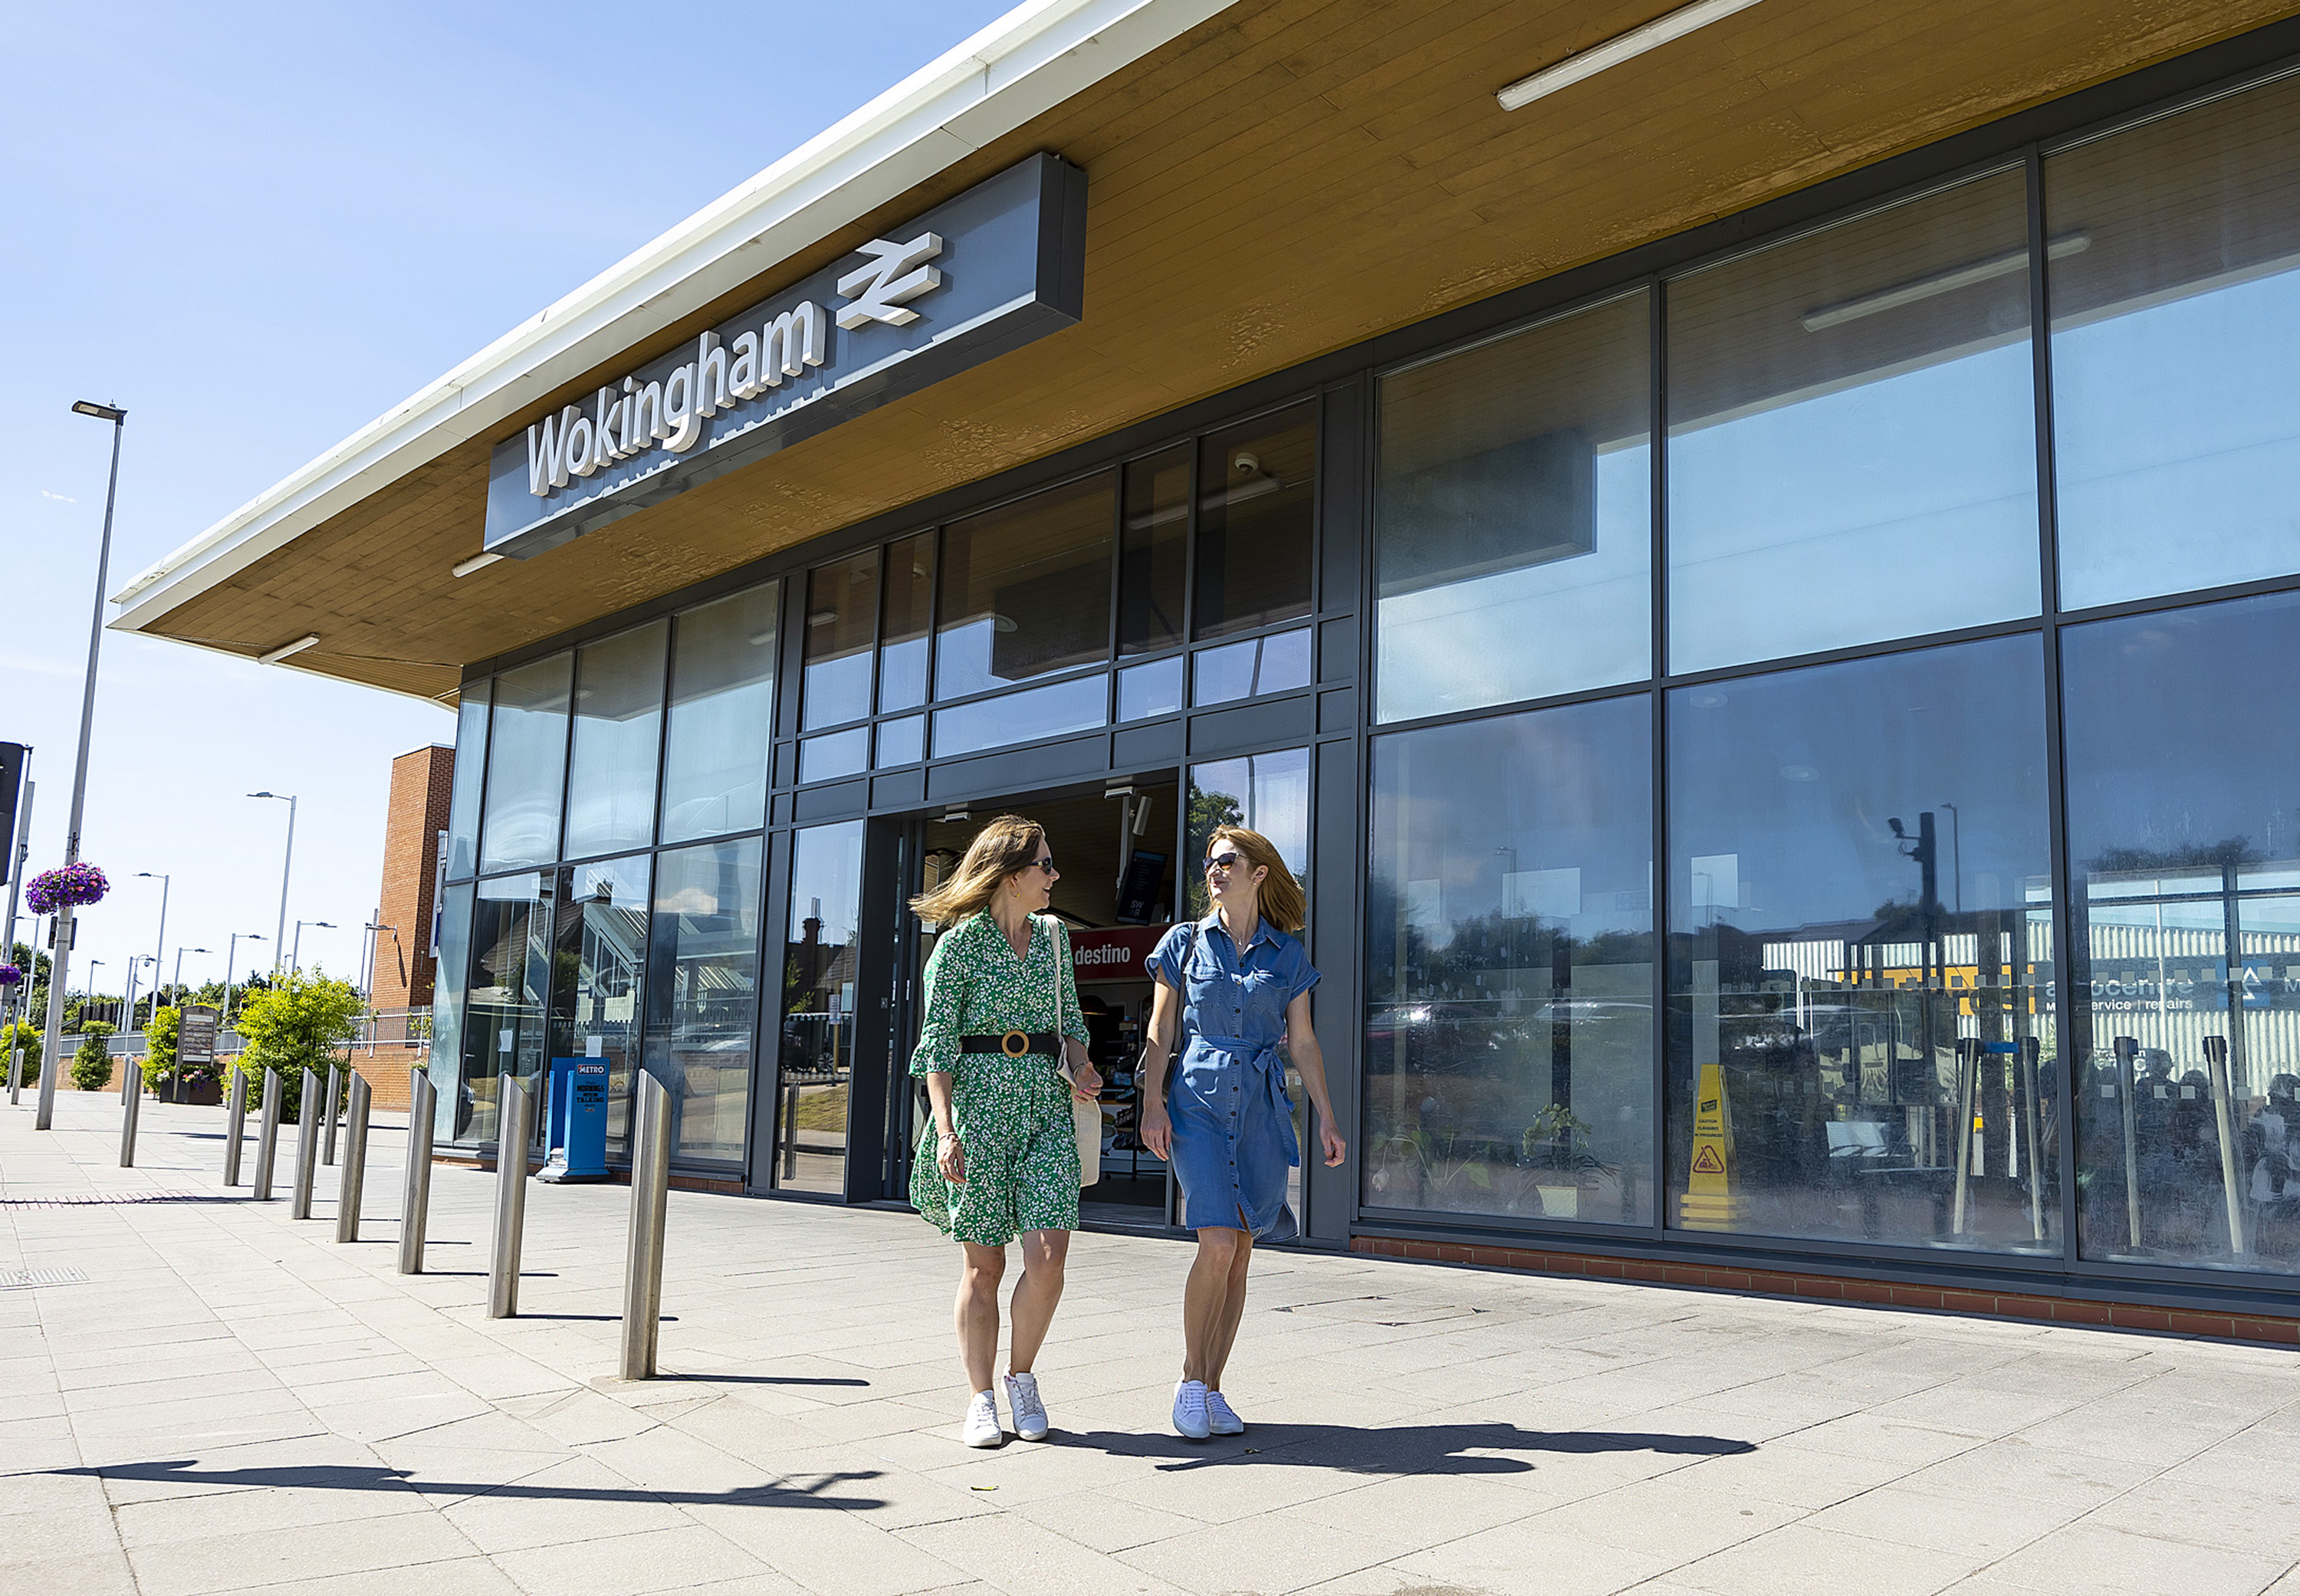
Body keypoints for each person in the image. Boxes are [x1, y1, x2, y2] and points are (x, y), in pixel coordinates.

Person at [1138, 825, 1344, 1440]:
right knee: (1218, 1245)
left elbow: (1302, 1041)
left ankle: (1215, 1386)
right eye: (1209, 863)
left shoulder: (1288, 957)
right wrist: (1151, 1106)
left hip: (1258, 1108)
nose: (1214, 870)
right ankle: (1190, 1380)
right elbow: (1160, 1031)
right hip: (1197, 1102)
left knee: (1243, 1253)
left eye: (1226, 860)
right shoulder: (1183, 943)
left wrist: (1326, 1117)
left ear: (1258, 873)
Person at [909, 815, 1102, 1448]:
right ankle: (980, 1398)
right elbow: (937, 1043)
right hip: (979, 1113)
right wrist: (944, 1130)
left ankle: (1021, 1377)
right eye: (1046, 866)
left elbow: (1071, 1020)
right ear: (1013, 875)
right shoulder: (959, 946)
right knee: (984, 1266)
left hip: (1046, 1108)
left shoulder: (1053, 938)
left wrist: (1081, 1064)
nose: (1055, 876)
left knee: (1049, 1259)